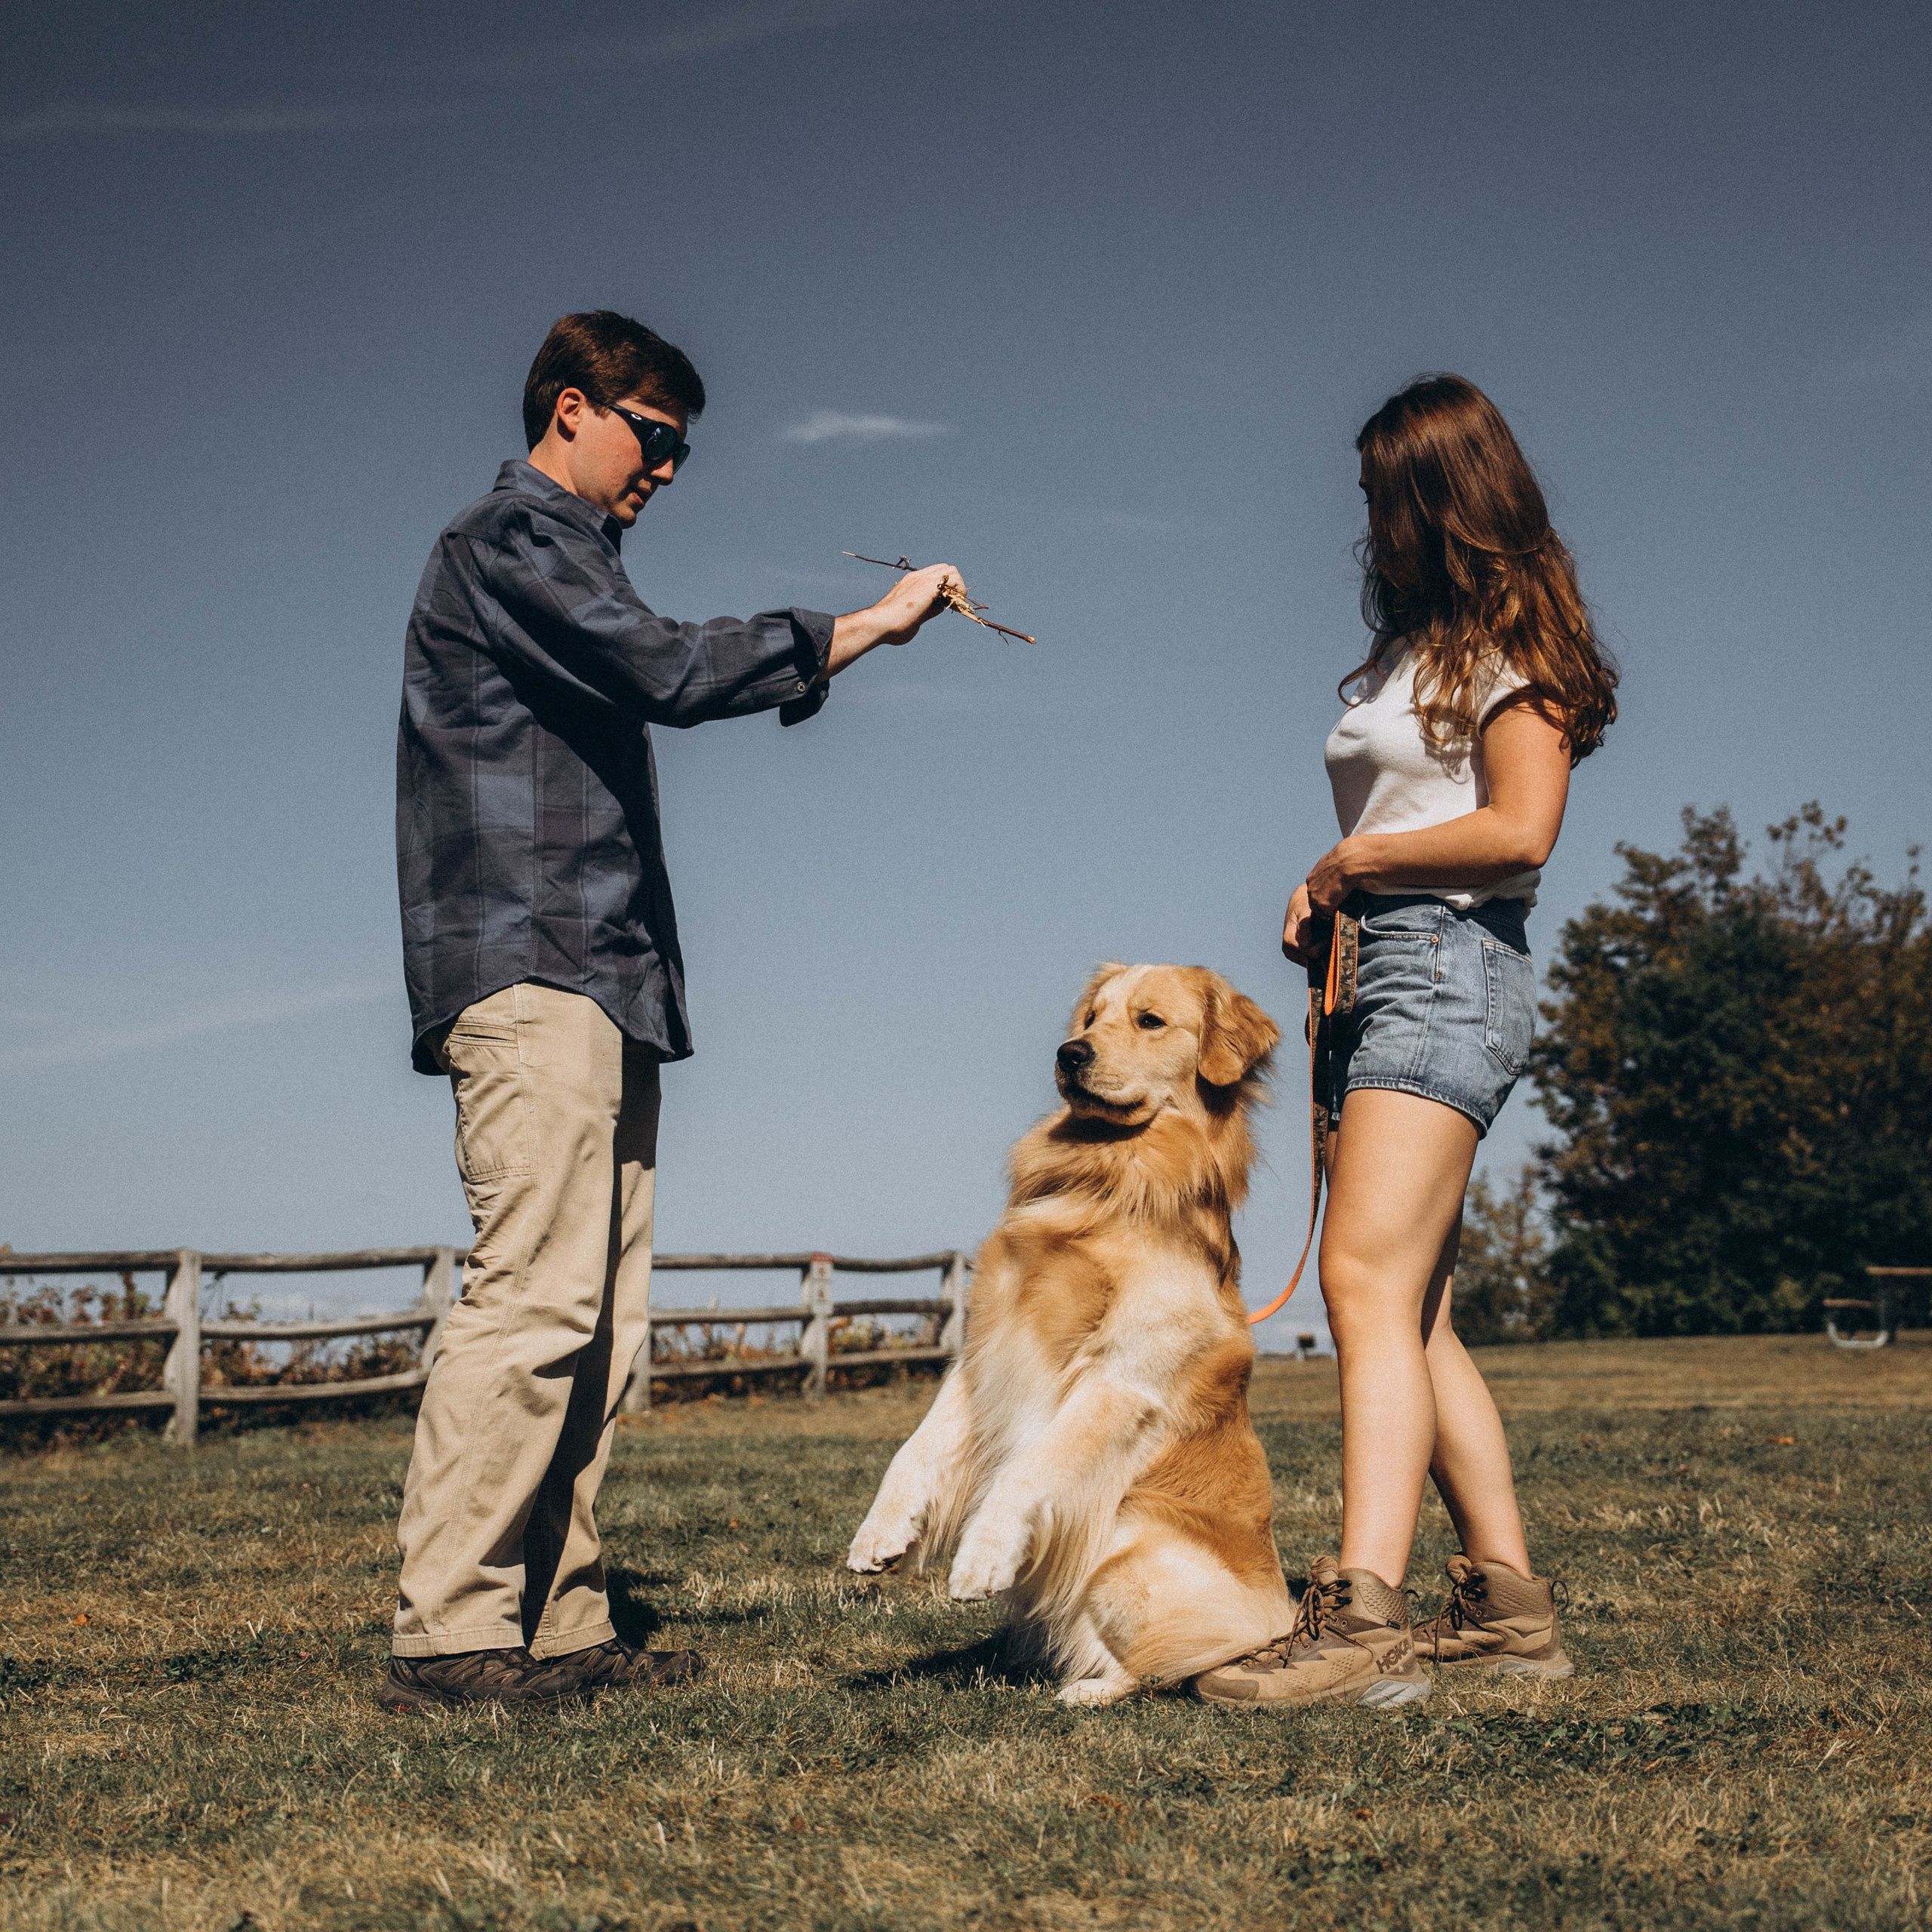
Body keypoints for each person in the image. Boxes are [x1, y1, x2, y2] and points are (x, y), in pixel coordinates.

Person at [381, 310, 961, 1714]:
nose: (671, 467)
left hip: (606, 975)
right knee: (533, 1299)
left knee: (604, 1319)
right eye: (657, 436)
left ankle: (563, 1627)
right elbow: (671, 670)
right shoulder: (507, 543)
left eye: (684, 446)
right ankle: (451, 1635)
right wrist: (861, 630)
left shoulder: (561, 555)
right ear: (572, 408)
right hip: (531, 965)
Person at [1196, 374, 1618, 1710]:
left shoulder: (1516, 645)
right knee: (1415, 1308)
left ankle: (1360, 1619)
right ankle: (1505, 1609)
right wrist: (1334, 895)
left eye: (1383, 491)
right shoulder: (1420, 652)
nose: (1366, 516)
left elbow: (1520, 830)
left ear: (1443, 496)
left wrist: (1354, 861)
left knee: (1363, 1282)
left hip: (1446, 964)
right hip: (1384, 968)